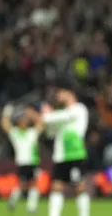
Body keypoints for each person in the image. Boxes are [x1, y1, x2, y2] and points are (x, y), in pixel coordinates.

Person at [39, 79, 90, 216]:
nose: (58, 95)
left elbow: (51, 118)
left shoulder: (79, 109)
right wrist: (48, 118)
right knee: (56, 187)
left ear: (69, 93)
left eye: (60, 92)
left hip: (75, 153)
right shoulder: (61, 114)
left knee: (79, 186)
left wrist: (47, 114)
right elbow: (50, 133)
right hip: (61, 155)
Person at [1, 104, 43, 214]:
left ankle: (31, 207)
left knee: (33, 184)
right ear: (18, 122)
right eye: (23, 120)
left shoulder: (31, 132)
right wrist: (7, 112)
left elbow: (41, 124)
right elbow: (5, 125)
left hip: (33, 161)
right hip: (23, 162)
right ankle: (14, 200)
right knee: (23, 184)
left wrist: (33, 114)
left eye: (26, 120)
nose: (25, 121)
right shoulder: (15, 133)